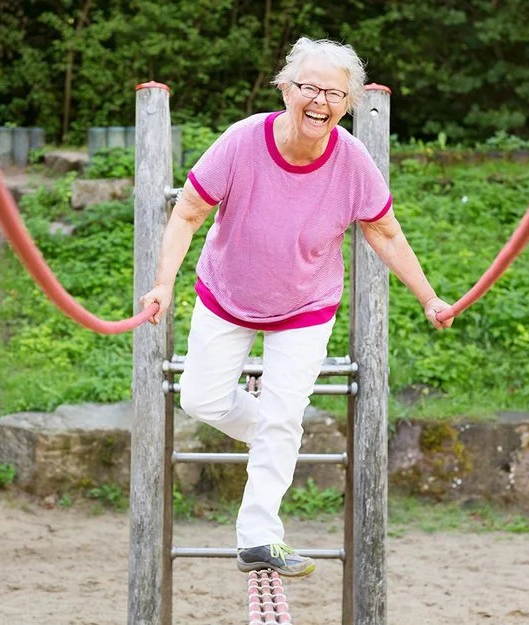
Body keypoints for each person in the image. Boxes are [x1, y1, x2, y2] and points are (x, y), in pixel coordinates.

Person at [139, 37, 453, 578]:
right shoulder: (242, 142)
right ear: (286, 88)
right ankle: (277, 433)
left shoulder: (352, 162)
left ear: (348, 103)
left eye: (335, 93)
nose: (320, 101)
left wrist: (429, 297)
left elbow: (386, 232)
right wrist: (163, 283)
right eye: (310, 87)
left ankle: (258, 536)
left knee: (285, 416)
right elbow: (188, 213)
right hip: (227, 294)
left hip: (305, 305)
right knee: (201, 401)